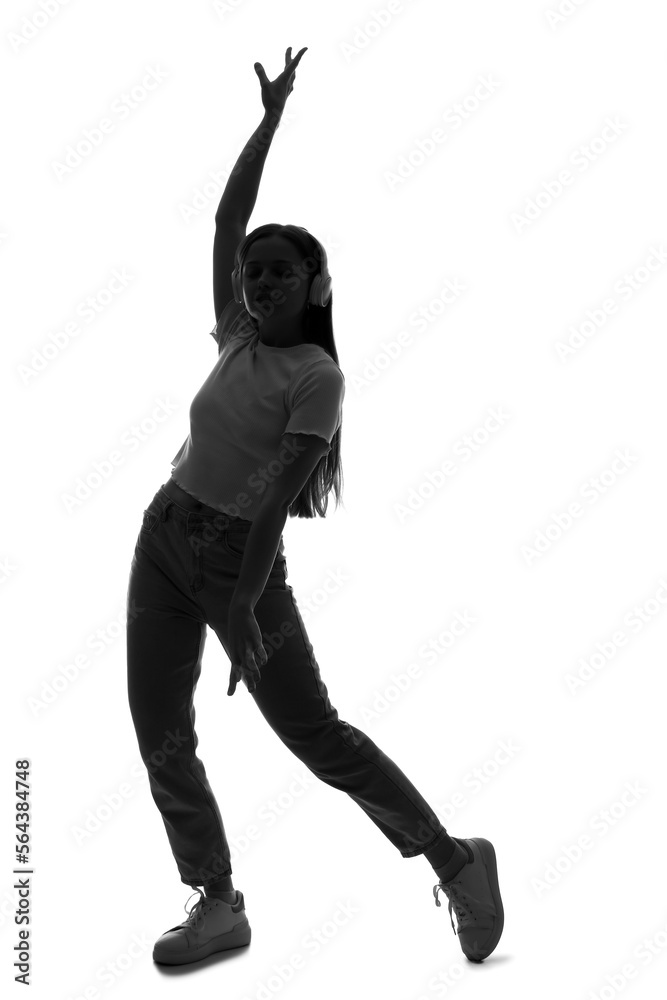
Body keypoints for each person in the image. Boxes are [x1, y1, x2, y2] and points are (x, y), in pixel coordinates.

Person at [126, 45, 504, 968]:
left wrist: (245, 605)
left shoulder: (315, 378)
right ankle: (216, 901)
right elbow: (226, 215)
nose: (259, 283)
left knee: (313, 737)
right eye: (253, 273)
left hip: (237, 563)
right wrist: (269, 121)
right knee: (159, 729)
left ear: (315, 284)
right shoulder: (236, 336)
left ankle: (453, 859)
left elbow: (269, 507)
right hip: (166, 537)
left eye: (279, 273)